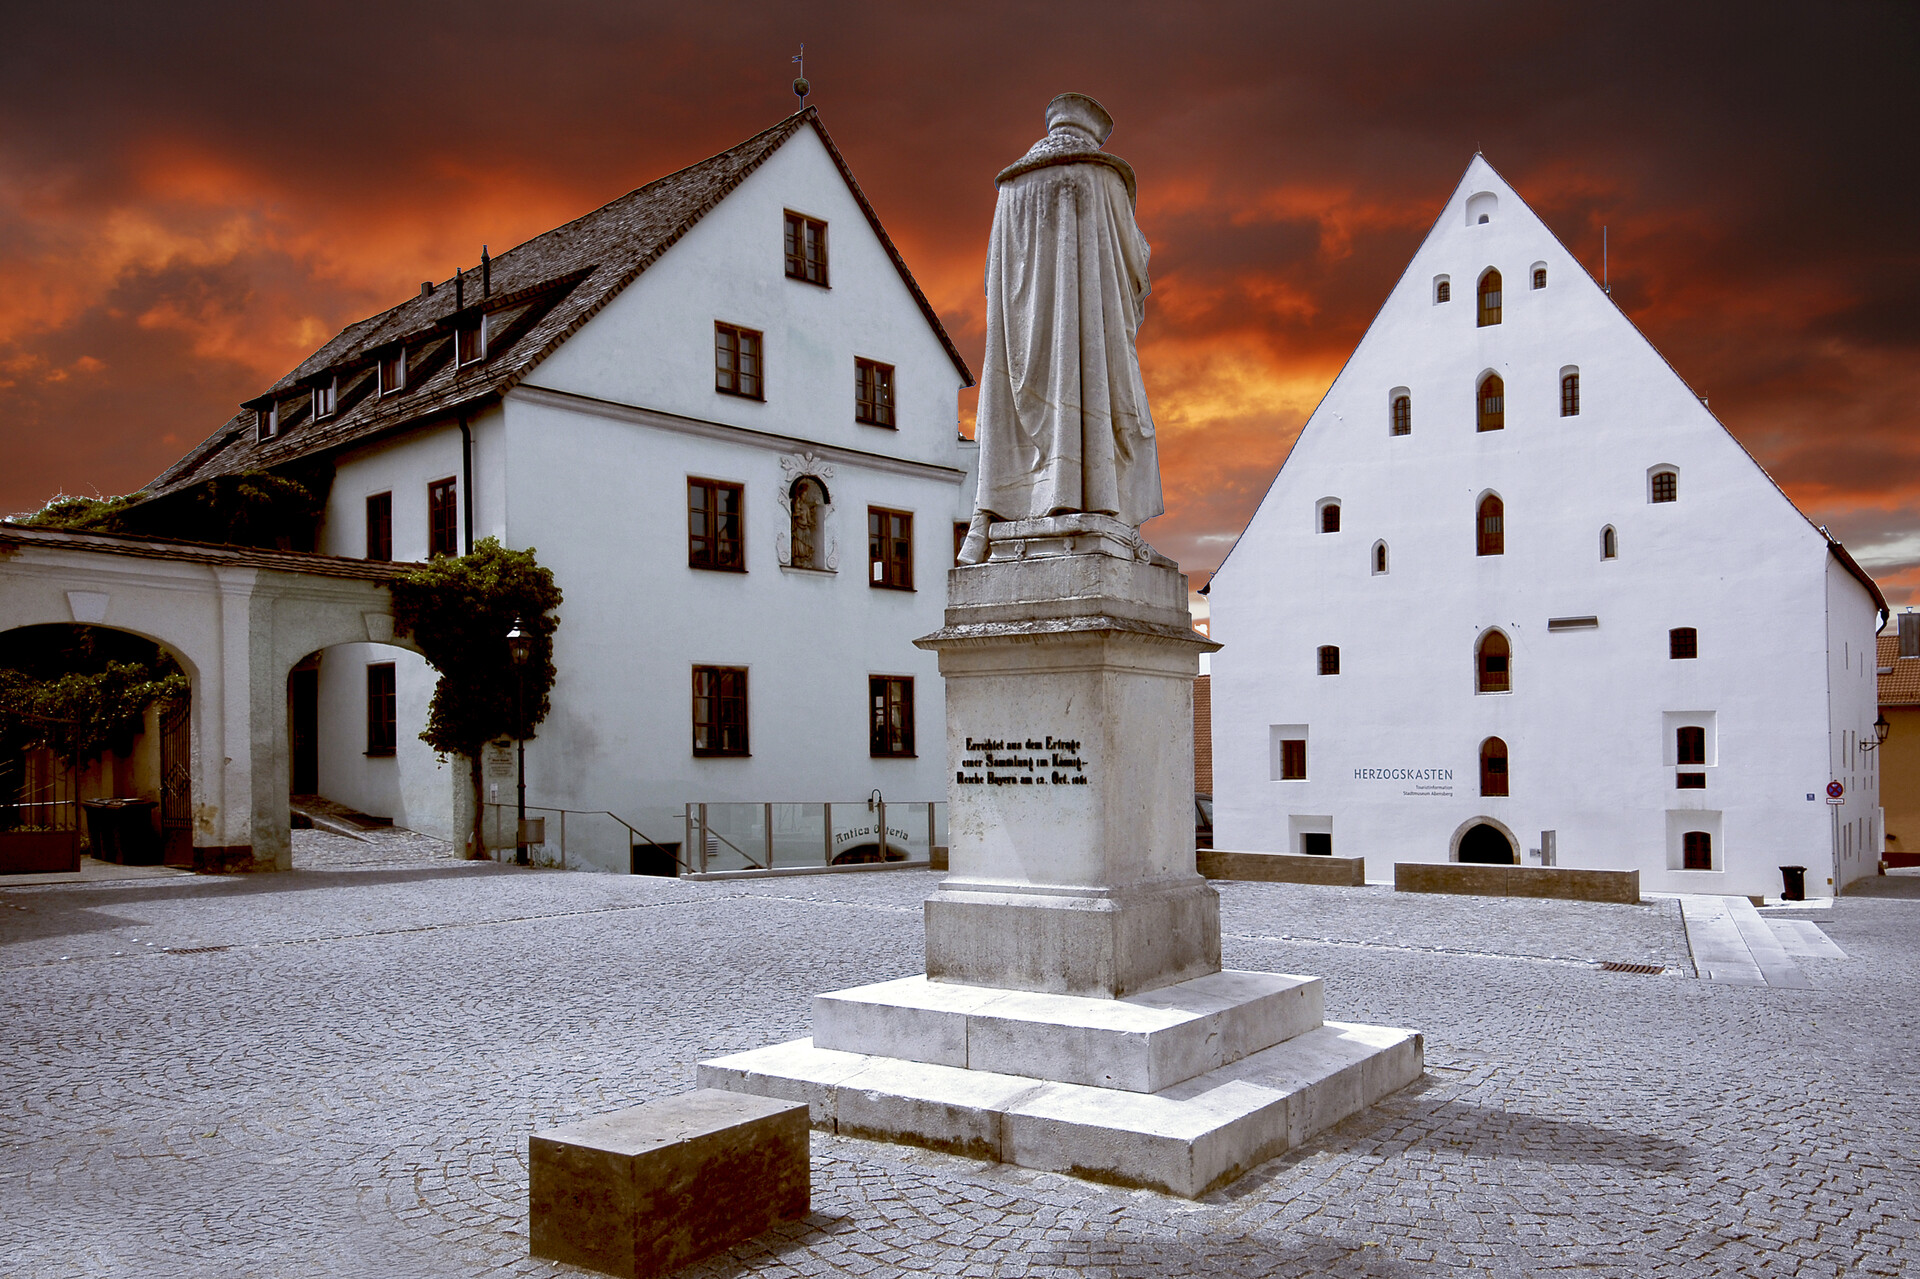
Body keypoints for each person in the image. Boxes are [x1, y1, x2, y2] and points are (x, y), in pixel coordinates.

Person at [957, 93, 1164, 565]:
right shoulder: (1100, 176)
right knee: (1115, 409)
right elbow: (1135, 265)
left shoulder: (1010, 191)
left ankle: (1003, 514)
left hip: (1019, 344)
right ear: (1095, 134)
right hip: (1090, 338)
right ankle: (1099, 506)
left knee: (1019, 408)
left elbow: (994, 275)